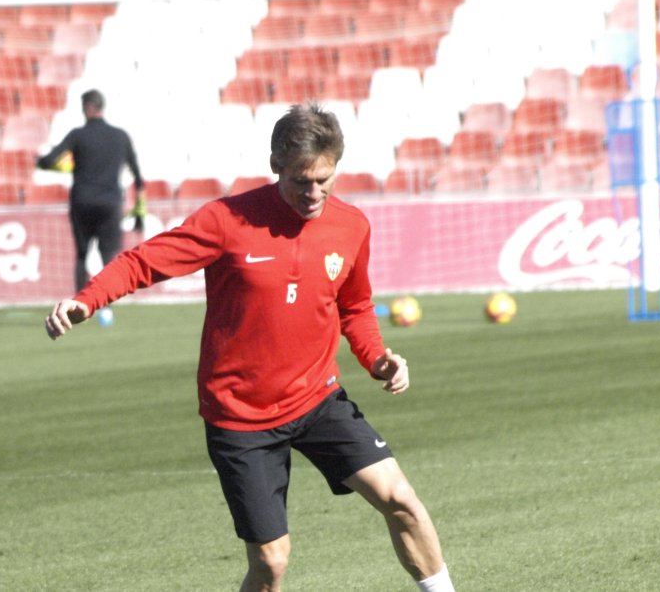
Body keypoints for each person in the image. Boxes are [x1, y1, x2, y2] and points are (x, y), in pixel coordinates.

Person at [44, 103, 454, 592]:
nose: (314, 193)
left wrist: (377, 359)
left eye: (325, 179)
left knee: (402, 500)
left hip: (317, 399)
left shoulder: (352, 226)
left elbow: (355, 306)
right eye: (302, 180)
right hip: (240, 418)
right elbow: (142, 262)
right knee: (271, 563)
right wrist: (87, 301)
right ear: (277, 164)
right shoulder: (227, 220)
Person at [36, 89, 146, 326]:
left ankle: (79, 306)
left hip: (82, 202)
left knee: (82, 254)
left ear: (87, 108)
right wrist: (140, 213)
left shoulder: (78, 135)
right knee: (109, 256)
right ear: (101, 107)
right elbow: (138, 176)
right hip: (110, 203)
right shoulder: (120, 136)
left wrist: (50, 165)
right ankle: (106, 305)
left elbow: (49, 159)